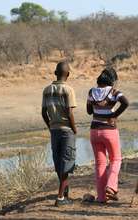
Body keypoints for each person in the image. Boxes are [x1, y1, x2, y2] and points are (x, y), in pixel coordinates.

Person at [87, 67, 129, 203]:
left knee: (100, 164)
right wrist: (114, 115)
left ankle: (101, 197)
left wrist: (94, 104)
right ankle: (111, 187)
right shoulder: (113, 92)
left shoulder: (91, 92)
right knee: (116, 159)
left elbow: (89, 111)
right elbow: (126, 102)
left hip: (94, 131)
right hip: (109, 131)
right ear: (112, 80)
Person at [42, 61, 77, 207]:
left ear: (55, 73)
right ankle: (61, 198)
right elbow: (69, 113)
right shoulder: (68, 90)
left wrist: (50, 126)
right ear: (68, 74)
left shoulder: (47, 90)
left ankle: (65, 190)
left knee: (58, 162)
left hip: (54, 130)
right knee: (67, 163)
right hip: (66, 130)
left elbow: (43, 113)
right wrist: (74, 129)